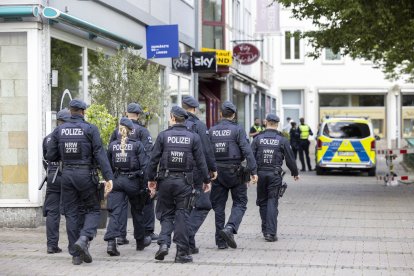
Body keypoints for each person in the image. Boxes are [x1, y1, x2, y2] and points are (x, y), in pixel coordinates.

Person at [46, 99, 114, 265]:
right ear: (83, 112)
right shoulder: (90, 129)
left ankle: (75, 255)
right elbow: (99, 154)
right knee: (93, 210)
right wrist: (108, 177)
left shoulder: (59, 130)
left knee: (71, 213)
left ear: (70, 111)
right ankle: (83, 239)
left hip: (67, 175)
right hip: (86, 175)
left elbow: (50, 156)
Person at [147, 106, 211, 263]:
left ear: (173, 118)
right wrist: (206, 180)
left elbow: (153, 160)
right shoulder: (193, 137)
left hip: (165, 181)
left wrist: (151, 180)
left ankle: (163, 244)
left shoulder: (163, 136)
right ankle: (181, 253)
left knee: (166, 214)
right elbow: (201, 161)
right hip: (184, 182)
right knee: (182, 214)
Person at [209, 101, 258, 249]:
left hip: (217, 172)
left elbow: (206, 152)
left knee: (219, 207)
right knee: (240, 202)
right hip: (235, 171)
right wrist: (253, 171)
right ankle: (229, 228)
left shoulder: (211, 130)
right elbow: (247, 150)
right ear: (234, 115)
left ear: (220, 114)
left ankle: (220, 242)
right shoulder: (237, 130)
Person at [109, 102, 157, 245]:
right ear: (139, 114)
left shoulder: (116, 131)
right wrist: (148, 178)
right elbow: (148, 155)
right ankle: (146, 233)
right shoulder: (143, 131)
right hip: (135, 178)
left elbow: (111, 152)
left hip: (118, 177)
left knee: (120, 207)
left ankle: (119, 235)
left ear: (126, 113)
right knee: (142, 205)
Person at [104, 117, 151, 256]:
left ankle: (111, 242)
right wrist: (144, 187)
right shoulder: (137, 145)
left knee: (115, 212)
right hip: (133, 182)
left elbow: (108, 166)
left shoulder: (112, 145)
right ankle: (140, 241)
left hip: (117, 181)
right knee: (137, 211)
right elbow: (145, 167)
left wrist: (110, 181)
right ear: (131, 131)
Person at [251, 114, 299, 242]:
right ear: (277, 124)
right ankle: (271, 233)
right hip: (274, 175)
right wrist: (295, 173)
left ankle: (265, 230)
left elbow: (251, 158)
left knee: (262, 202)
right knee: (272, 201)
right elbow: (290, 158)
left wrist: (251, 174)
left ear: (266, 122)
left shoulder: (257, 138)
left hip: (260, 174)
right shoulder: (282, 139)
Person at [182, 96, 218, 255]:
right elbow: (207, 150)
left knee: (185, 206)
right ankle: (187, 235)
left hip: (177, 173)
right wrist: (212, 169)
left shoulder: (175, 124)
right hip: (195, 172)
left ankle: (190, 244)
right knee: (203, 205)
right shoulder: (199, 125)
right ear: (195, 109)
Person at [42, 108, 71, 254]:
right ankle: (74, 246)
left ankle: (51, 245)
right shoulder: (68, 136)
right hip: (68, 176)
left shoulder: (47, 138)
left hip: (52, 176)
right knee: (72, 211)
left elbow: (45, 159)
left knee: (52, 212)